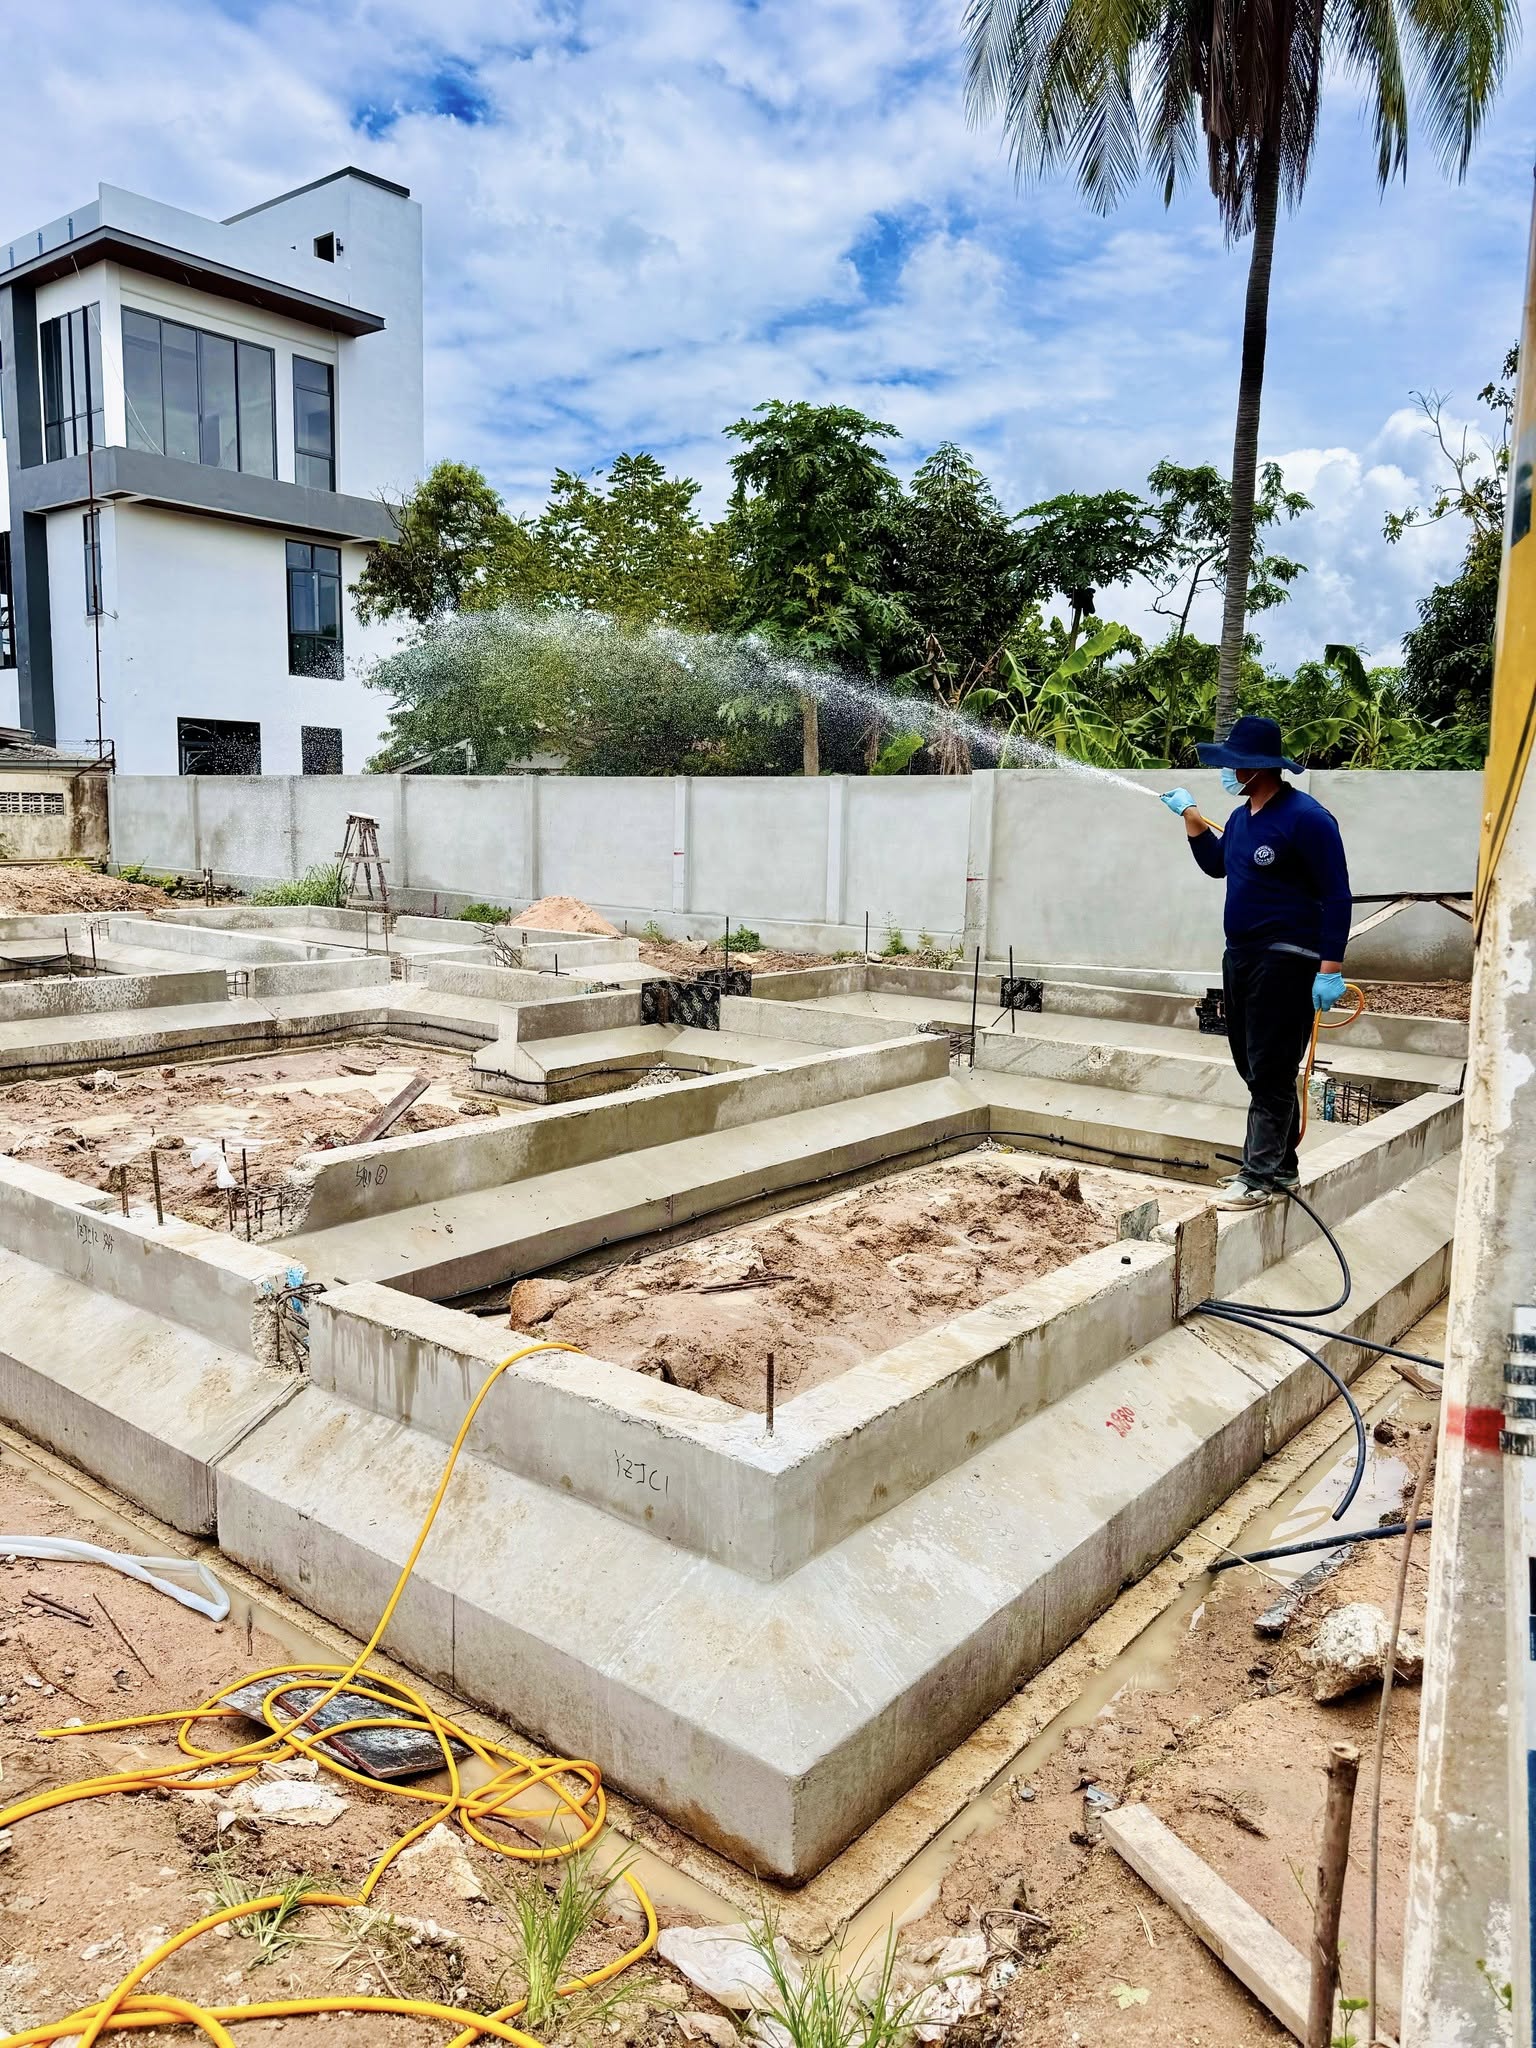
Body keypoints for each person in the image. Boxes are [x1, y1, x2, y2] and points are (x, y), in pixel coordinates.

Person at [1160, 715, 1351, 1210]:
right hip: (1240, 956)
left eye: (1233, 764)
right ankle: (1281, 1166)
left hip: (1287, 959)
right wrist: (1191, 817)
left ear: (1257, 767)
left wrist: (1330, 968)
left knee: (1270, 1067)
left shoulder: (1308, 819)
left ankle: (1257, 1177)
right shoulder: (1243, 818)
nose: (1227, 771)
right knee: (1253, 1064)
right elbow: (1217, 864)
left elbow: (1337, 896)